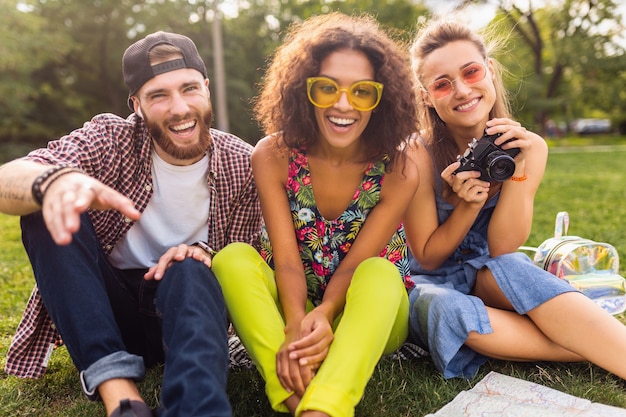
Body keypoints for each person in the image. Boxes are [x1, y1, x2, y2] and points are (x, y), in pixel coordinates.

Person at [0, 31, 262, 416]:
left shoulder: (244, 163)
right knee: (45, 202)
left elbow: (243, 268)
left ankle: (195, 407)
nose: (179, 108)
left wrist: (204, 255)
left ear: (206, 89)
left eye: (189, 88)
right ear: (136, 104)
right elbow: (10, 177)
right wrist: (54, 182)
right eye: (158, 95)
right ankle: (122, 399)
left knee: (189, 269)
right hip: (107, 313)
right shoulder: (110, 138)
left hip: (191, 314)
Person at [211, 12, 419, 417]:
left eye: (362, 92)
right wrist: (294, 324)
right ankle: (298, 395)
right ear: (304, 91)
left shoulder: (399, 168)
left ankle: (321, 409)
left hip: (370, 316)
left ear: (383, 99)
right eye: (327, 88)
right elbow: (286, 260)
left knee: (378, 272)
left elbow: (356, 263)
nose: (343, 104)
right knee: (231, 258)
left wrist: (326, 313)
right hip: (295, 304)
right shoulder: (273, 155)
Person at [404, 18, 626, 381]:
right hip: (429, 280)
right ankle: (590, 341)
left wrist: (517, 169)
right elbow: (427, 256)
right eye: (442, 84)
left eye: (471, 72)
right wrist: (468, 206)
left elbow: (503, 246)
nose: (461, 90)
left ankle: (605, 343)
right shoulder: (415, 153)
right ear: (426, 97)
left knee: (516, 269)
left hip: (490, 272)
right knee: (447, 309)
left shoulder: (530, 147)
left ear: (489, 70)